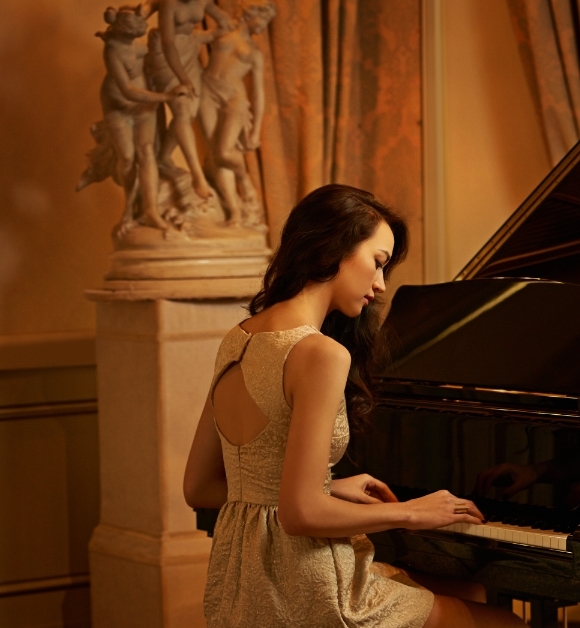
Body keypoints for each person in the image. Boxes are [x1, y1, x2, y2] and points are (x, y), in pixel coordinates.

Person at [183, 185, 525, 627]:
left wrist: (326, 487)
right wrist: (413, 511)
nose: (380, 285)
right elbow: (300, 513)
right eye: (378, 262)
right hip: (314, 593)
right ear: (334, 248)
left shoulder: (238, 339)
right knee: (508, 624)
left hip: (245, 588)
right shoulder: (320, 354)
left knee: (470, 593)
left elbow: (199, 487)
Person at [92, 4, 188, 230]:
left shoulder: (140, 46)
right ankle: (130, 205)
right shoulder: (113, 50)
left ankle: (151, 210)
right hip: (120, 107)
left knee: (146, 153)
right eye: (136, 25)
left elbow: (163, 50)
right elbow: (127, 90)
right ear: (121, 28)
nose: (142, 28)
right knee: (126, 157)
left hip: (145, 107)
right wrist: (165, 95)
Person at [143, 0, 230, 200]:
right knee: (182, 109)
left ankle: (163, 157)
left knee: (189, 114)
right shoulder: (168, 3)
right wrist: (183, 78)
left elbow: (223, 20)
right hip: (166, 56)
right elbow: (168, 43)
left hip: (189, 49)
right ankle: (197, 176)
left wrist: (220, 28)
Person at [197, 0, 273, 227]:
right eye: (264, 18)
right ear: (251, 13)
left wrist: (255, 131)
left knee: (223, 152)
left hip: (234, 99)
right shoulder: (223, 29)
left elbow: (259, 93)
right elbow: (202, 6)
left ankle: (244, 180)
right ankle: (235, 212)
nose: (264, 25)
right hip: (206, 91)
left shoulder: (254, 52)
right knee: (215, 156)